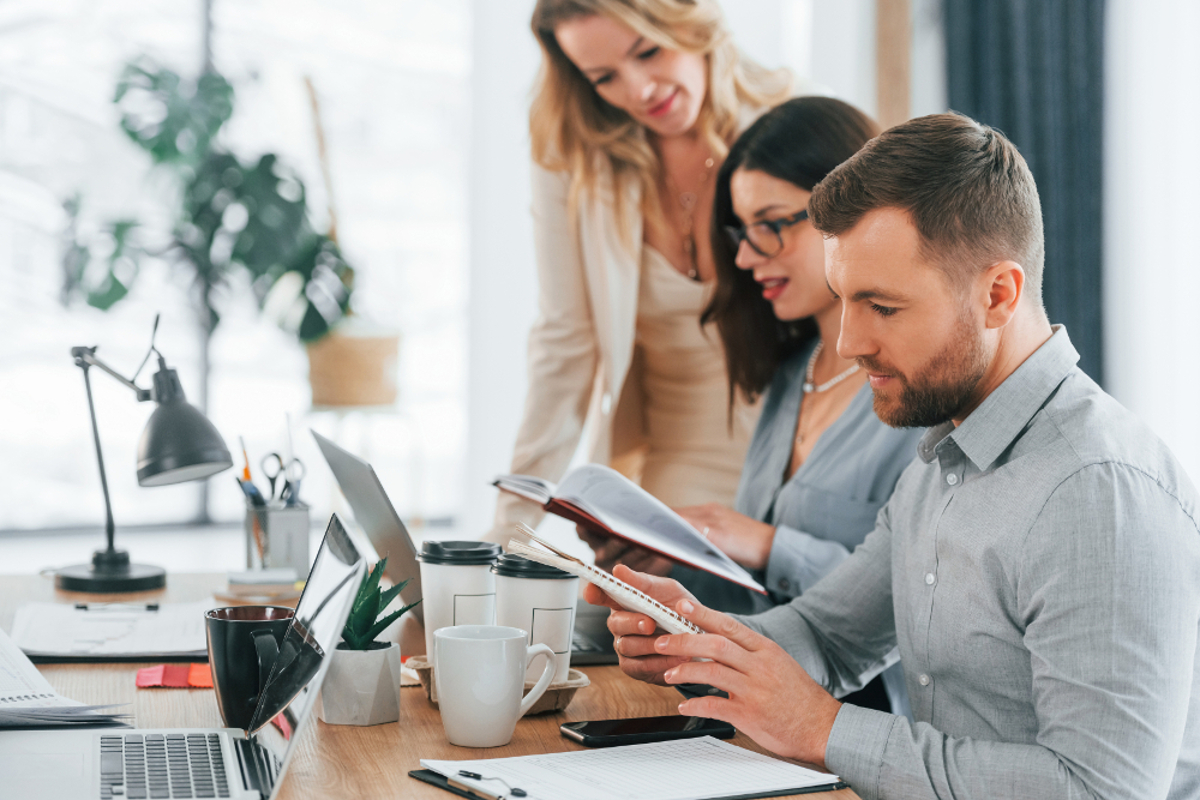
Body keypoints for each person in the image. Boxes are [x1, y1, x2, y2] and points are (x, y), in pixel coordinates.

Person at [589, 113, 1200, 798]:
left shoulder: (1098, 493)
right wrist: (697, 639)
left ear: (998, 294)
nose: (849, 341)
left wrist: (824, 731)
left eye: (881, 306)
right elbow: (830, 636)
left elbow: (1103, 791)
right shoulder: (944, 454)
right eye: (845, 299)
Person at [587, 96, 922, 716]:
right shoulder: (791, 376)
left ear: (853, 213)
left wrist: (761, 541)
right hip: (761, 705)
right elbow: (763, 605)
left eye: (772, 224)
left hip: (867, 718)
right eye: (741, 231)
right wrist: (662, 578)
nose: (745, 255)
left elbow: (908, 599)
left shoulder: (916, 393)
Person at [489, 0, 794, 542]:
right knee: (612, 616)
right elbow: (565, 345)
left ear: (690, 19)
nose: (639, 90)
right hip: (671, 474)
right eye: (603, 77)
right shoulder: (574, 159)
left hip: (801, 462)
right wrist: (506, 533)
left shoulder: (798, 123)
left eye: (648, 51)